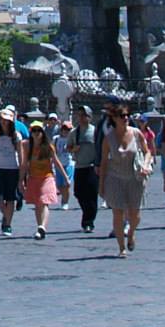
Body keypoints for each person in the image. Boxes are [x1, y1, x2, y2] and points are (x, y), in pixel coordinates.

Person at [100, 104, 152, 257]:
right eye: (122, 116)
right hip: (115, 178)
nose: (126, 118)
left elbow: (147, 151)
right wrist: (101, 185)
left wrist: (146, 164)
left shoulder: (136, 133)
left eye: (127, 115)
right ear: (114, 118)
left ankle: (131, 233)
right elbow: (103, 162)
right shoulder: (108, 138)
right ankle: (121, 247)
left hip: (135, 178)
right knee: (118, 213)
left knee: (135, 214)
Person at [0, 107, 24, 237]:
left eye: (7, 120)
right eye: (3, 120)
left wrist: (23, 174)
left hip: (12, 169)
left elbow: (20, 154)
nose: (4, 123)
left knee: (10, 198)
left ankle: (7, 224)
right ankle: (6, 215)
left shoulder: (16, 136)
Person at [21, 121, 60, 240]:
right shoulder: (28, 146)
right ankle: (40, 227)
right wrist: (21, 180)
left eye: (39, 131)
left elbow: (56, 162)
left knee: (44, 202)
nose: (36, 133)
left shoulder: (48, 146)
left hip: (47, 177)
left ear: (43, 132)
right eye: (34, 131)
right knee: (37, 204)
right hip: (33, 178)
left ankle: (43, 226)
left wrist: (65, 178)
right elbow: (24, 165)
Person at [68, 103, 101, 233]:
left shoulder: (95, 131)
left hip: (92, 167)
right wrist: (73, 149)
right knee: (79, 193)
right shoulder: (74, 132)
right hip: (80, 166)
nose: (82, 118)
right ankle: (87, 213)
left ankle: (88, 221)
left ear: (90, 117)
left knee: (92, 195)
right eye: (80, 115)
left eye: (85, 115)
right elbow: (68, 147)